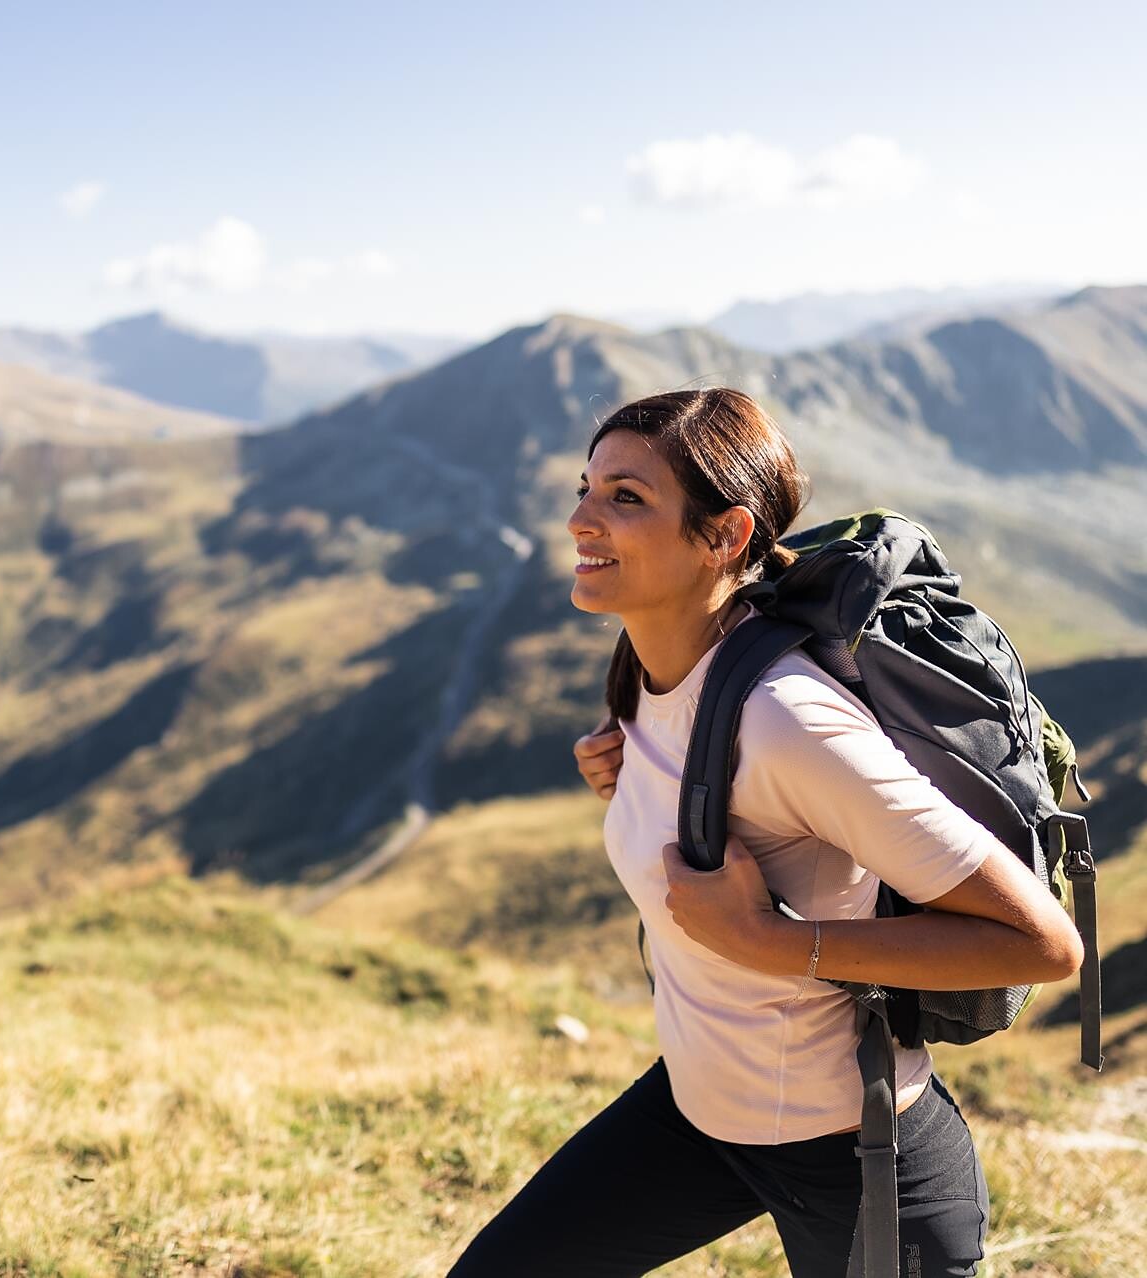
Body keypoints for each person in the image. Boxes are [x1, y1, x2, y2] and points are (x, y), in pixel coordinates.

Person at [445, 388, 1083, 1277]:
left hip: (856, 1158)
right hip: (698, 1115)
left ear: (728, 536)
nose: (579, 518)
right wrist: (625, 780)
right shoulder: (654, 661)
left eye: (625, 498)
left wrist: (771, 941)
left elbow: (1043, 947)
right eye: (586, 486)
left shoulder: (793, 722)